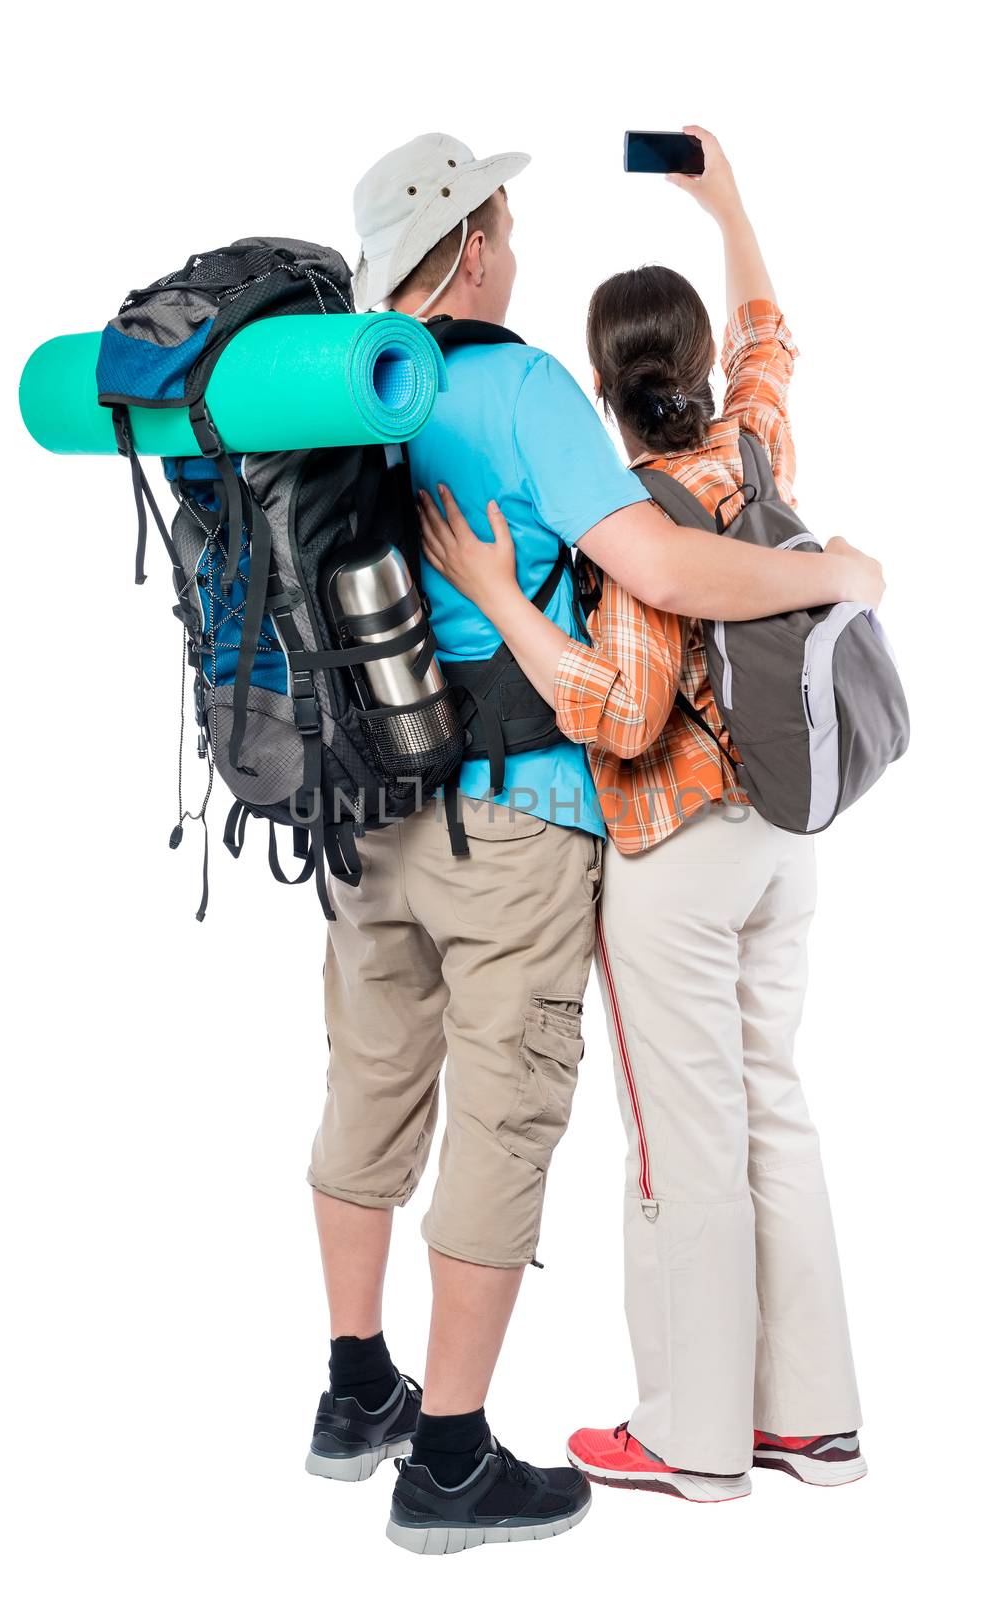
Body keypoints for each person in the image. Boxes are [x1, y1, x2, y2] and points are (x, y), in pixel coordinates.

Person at [310, 131, 882, 1554]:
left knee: (384, 1092)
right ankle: (483, 1457)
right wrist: (827, 573)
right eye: (504, 221)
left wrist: (499, 599)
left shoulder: (345, 393)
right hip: (571, 826)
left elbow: (619, 691)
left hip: (372, 807)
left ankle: (358, 1390)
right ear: (479, 245)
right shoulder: (577, 409)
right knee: (677, 1113)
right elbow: (684, 529)